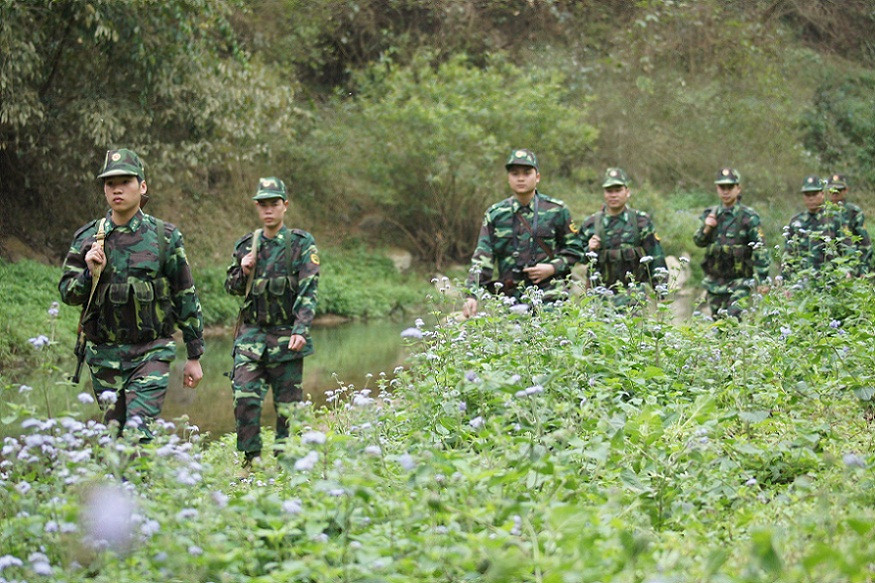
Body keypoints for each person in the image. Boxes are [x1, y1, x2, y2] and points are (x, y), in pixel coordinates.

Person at [59, 149, 204, 441]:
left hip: (151, 352)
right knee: (115, 438)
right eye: (110, 182)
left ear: (142, 186)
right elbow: (68, 293)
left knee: (138, 434)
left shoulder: (164, 237)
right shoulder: (88, 239)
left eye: (125, 181)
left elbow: (184, 294)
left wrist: (194, 355)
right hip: (104, 357)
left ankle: (137, 482)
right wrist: (89, 272)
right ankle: (132, 486)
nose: (117, 188)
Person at [225, 177, 319, 473]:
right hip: (251, 336)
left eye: (274, 204)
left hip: (286, 336)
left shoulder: (300, 245)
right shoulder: (246, 246)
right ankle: (251, 460)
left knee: (287, 408)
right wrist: (243, 271)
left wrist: (301, 329)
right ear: (257, 207)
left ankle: (285, 460)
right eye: (263, 204)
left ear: (285, 206)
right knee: (244, 396)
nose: (268, 210)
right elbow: (231, 287)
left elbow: (308, 290)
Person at [462, 149, 584, 317]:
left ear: (537, 177)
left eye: (527, 173)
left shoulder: (556, 210)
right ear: (508, 178)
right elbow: (483, 257)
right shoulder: (495, 214)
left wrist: (552, 267)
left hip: (550, 298)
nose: (521, 178)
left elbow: (575, 250)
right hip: (509, 300)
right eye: (515, 173)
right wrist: (471, 294)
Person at [579, 167, 667, 301]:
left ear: (627, 192)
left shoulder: (641, 221)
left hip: (634, 298)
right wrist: (589, 249)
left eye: (618, 190)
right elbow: (575, 257)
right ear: (604, 193)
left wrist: (661, 293)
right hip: (600, 300)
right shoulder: (591, 224)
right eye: (609, 191)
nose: (613, 195)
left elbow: (656, 258)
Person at [692, 167, 770, 318]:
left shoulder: (749, 217)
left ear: (738, 188)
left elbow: (761, 249)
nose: (725, 191)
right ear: (717, 189)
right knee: (718, 326)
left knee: (733, 320)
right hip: (715, 283)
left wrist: (763, 280)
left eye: (730, 187)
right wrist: (707, 227)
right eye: (722, 187)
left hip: (739, 282)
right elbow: (698, 242)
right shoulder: (711, 214)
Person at [782, 175, 851, 279]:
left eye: (814, 194)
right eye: (807, 194)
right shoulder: (796, 222)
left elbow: (848, 247)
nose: (811, 198)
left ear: (822, 194)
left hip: (830, 279)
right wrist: (785, 279)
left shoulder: (834, 219)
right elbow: (788, 254)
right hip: (802, 280)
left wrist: (848, 271)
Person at [826, 173, 871, 274]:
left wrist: (863, 271)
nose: (835, 193)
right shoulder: (822, 212)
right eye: (831, 189)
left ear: (846, 190)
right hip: (826, 269)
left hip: (850, 267)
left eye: (839, 190)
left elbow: (864, 244)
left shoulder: (854, 212)